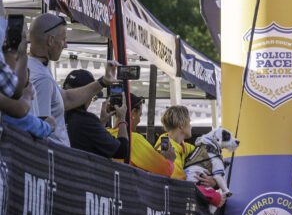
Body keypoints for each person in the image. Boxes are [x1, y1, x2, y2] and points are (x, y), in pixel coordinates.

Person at [28, 13, 116, 146]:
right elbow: (39, 135)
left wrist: (103, 82)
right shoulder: (42, 78)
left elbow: (66, 99)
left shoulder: (33, 65)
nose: (66, 45)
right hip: (53, 156)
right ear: (50, 40)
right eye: (63, 39)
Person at [105, 93, 179, 177]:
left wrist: (152, 153)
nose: (139, 120)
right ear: (133, 112)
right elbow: (165, 170)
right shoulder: (134, 139)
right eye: (139, 115)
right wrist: (169, 160)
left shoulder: (105, 133)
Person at [62, 69, 130, 160]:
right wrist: (122, 119)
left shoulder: (57, 114)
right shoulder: (86, 121)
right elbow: (122, 151)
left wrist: (101, 122)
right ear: (86, 94)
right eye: (92, 96)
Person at [156, 106, 196, 175]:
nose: (191, 126)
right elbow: (178, 179)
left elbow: (197, 149)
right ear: (181, 125)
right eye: (189, 122)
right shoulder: (167, 150)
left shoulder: (169, 141)